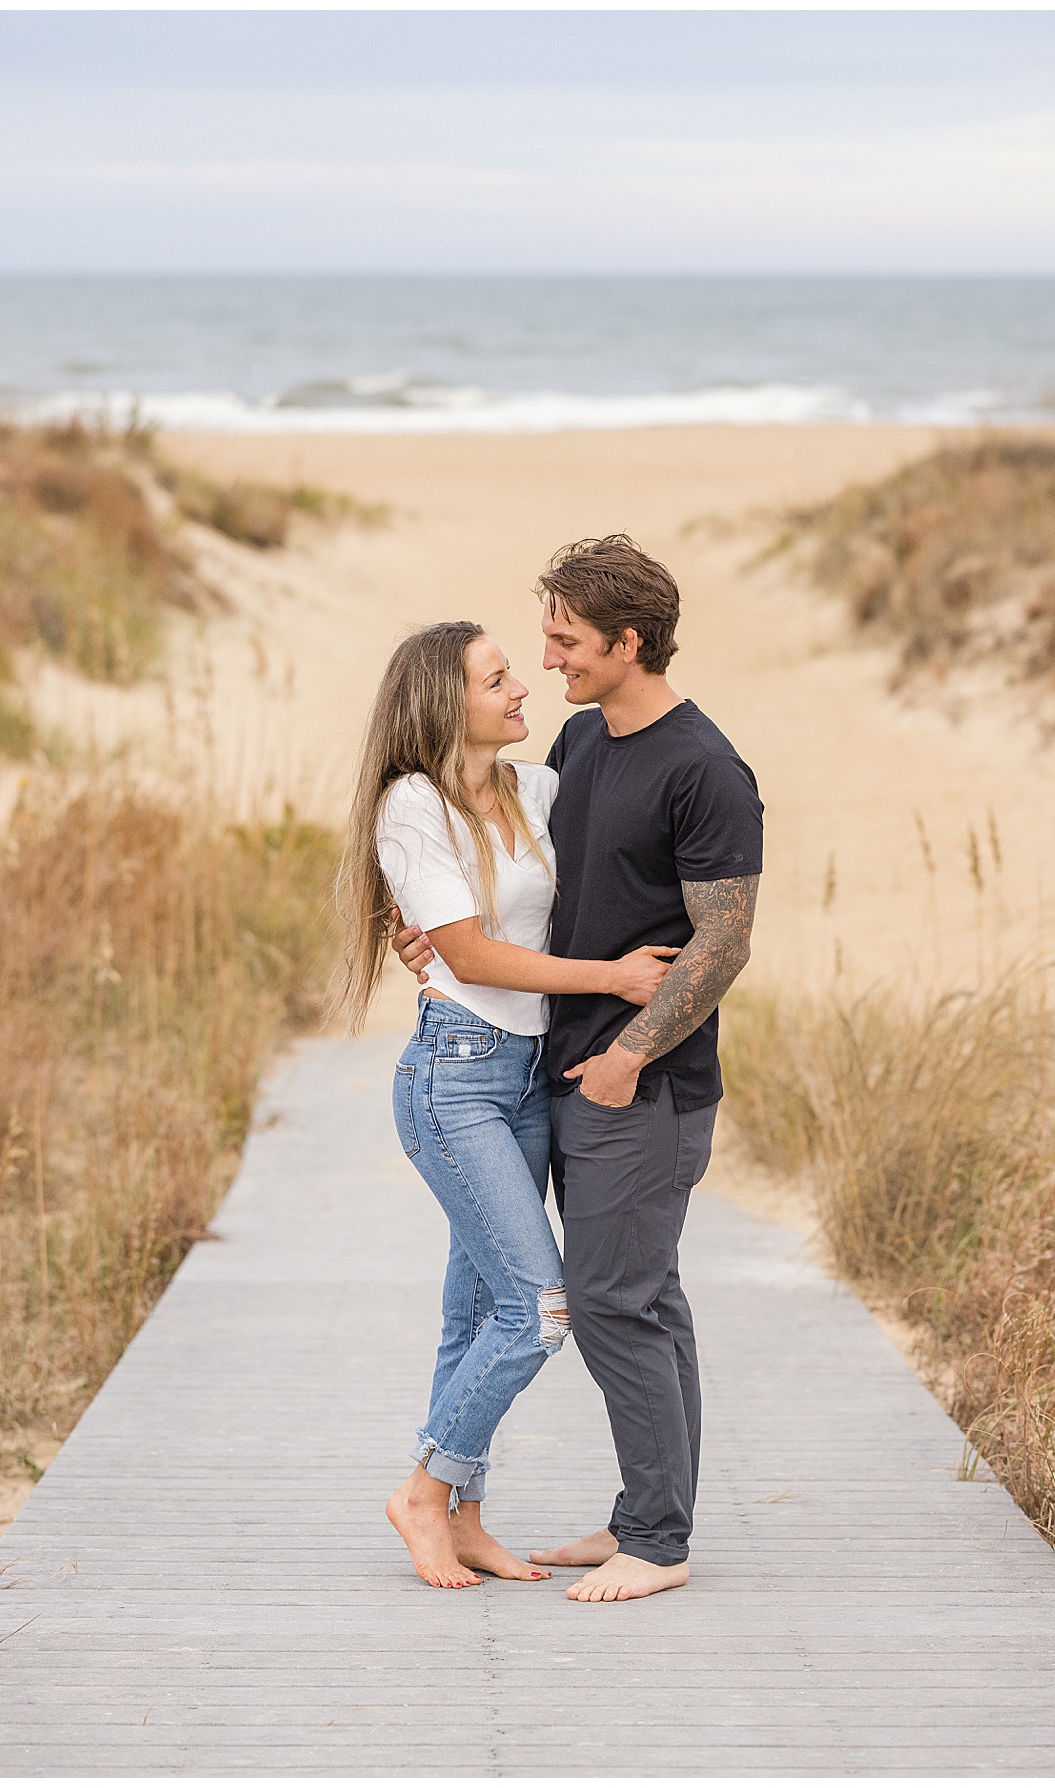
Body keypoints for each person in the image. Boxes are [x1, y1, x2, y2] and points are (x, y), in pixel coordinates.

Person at [394, 536, 764, 1602]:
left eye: (565, 640)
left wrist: (626, 1059)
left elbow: (723, 942)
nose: (549, 660)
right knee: (644, 1298)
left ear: (628, 640)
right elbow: (515, 869)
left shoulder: (705, 768)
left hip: (642, 1086)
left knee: (607, 1302)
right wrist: (424, 934)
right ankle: (646, 1517)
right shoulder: (586, 743)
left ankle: (658, 1544)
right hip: (555, 1070)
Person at [335, 618, 679, 1590]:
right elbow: (475, 955)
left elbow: (591, 877)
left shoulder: (539, 790)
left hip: (529, 1076)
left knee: (477, 1306)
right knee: (539, 1308)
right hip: (457, 1079)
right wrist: (610, 980)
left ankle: (467, 1517)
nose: (522, 687)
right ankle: (422, 1492)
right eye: (497, 679)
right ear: (449, 705)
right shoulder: (411, 806)